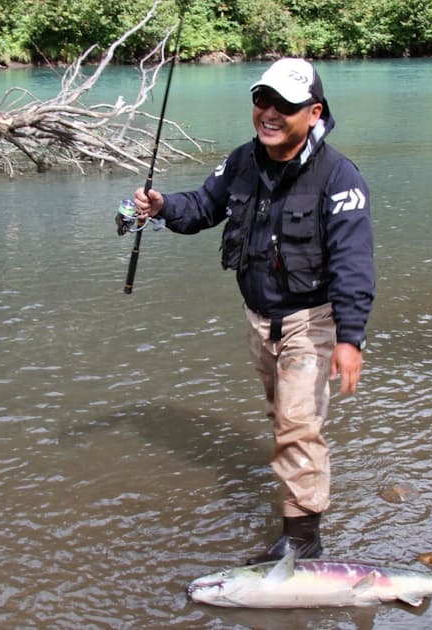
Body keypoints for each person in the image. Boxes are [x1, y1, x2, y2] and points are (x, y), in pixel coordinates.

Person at [132, 57, 375, 563]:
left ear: (313, 112)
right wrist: (161, 206)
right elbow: (202, 206)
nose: (268, 112)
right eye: (261, 100)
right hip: (258, 318)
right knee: (281, 417)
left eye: (283, 105)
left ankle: (304, 541)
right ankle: (298, 509)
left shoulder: (339, 177)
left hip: (313, 322)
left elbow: (354, 265)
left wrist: (351, 339)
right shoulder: (243, 160)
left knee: (297, 425)